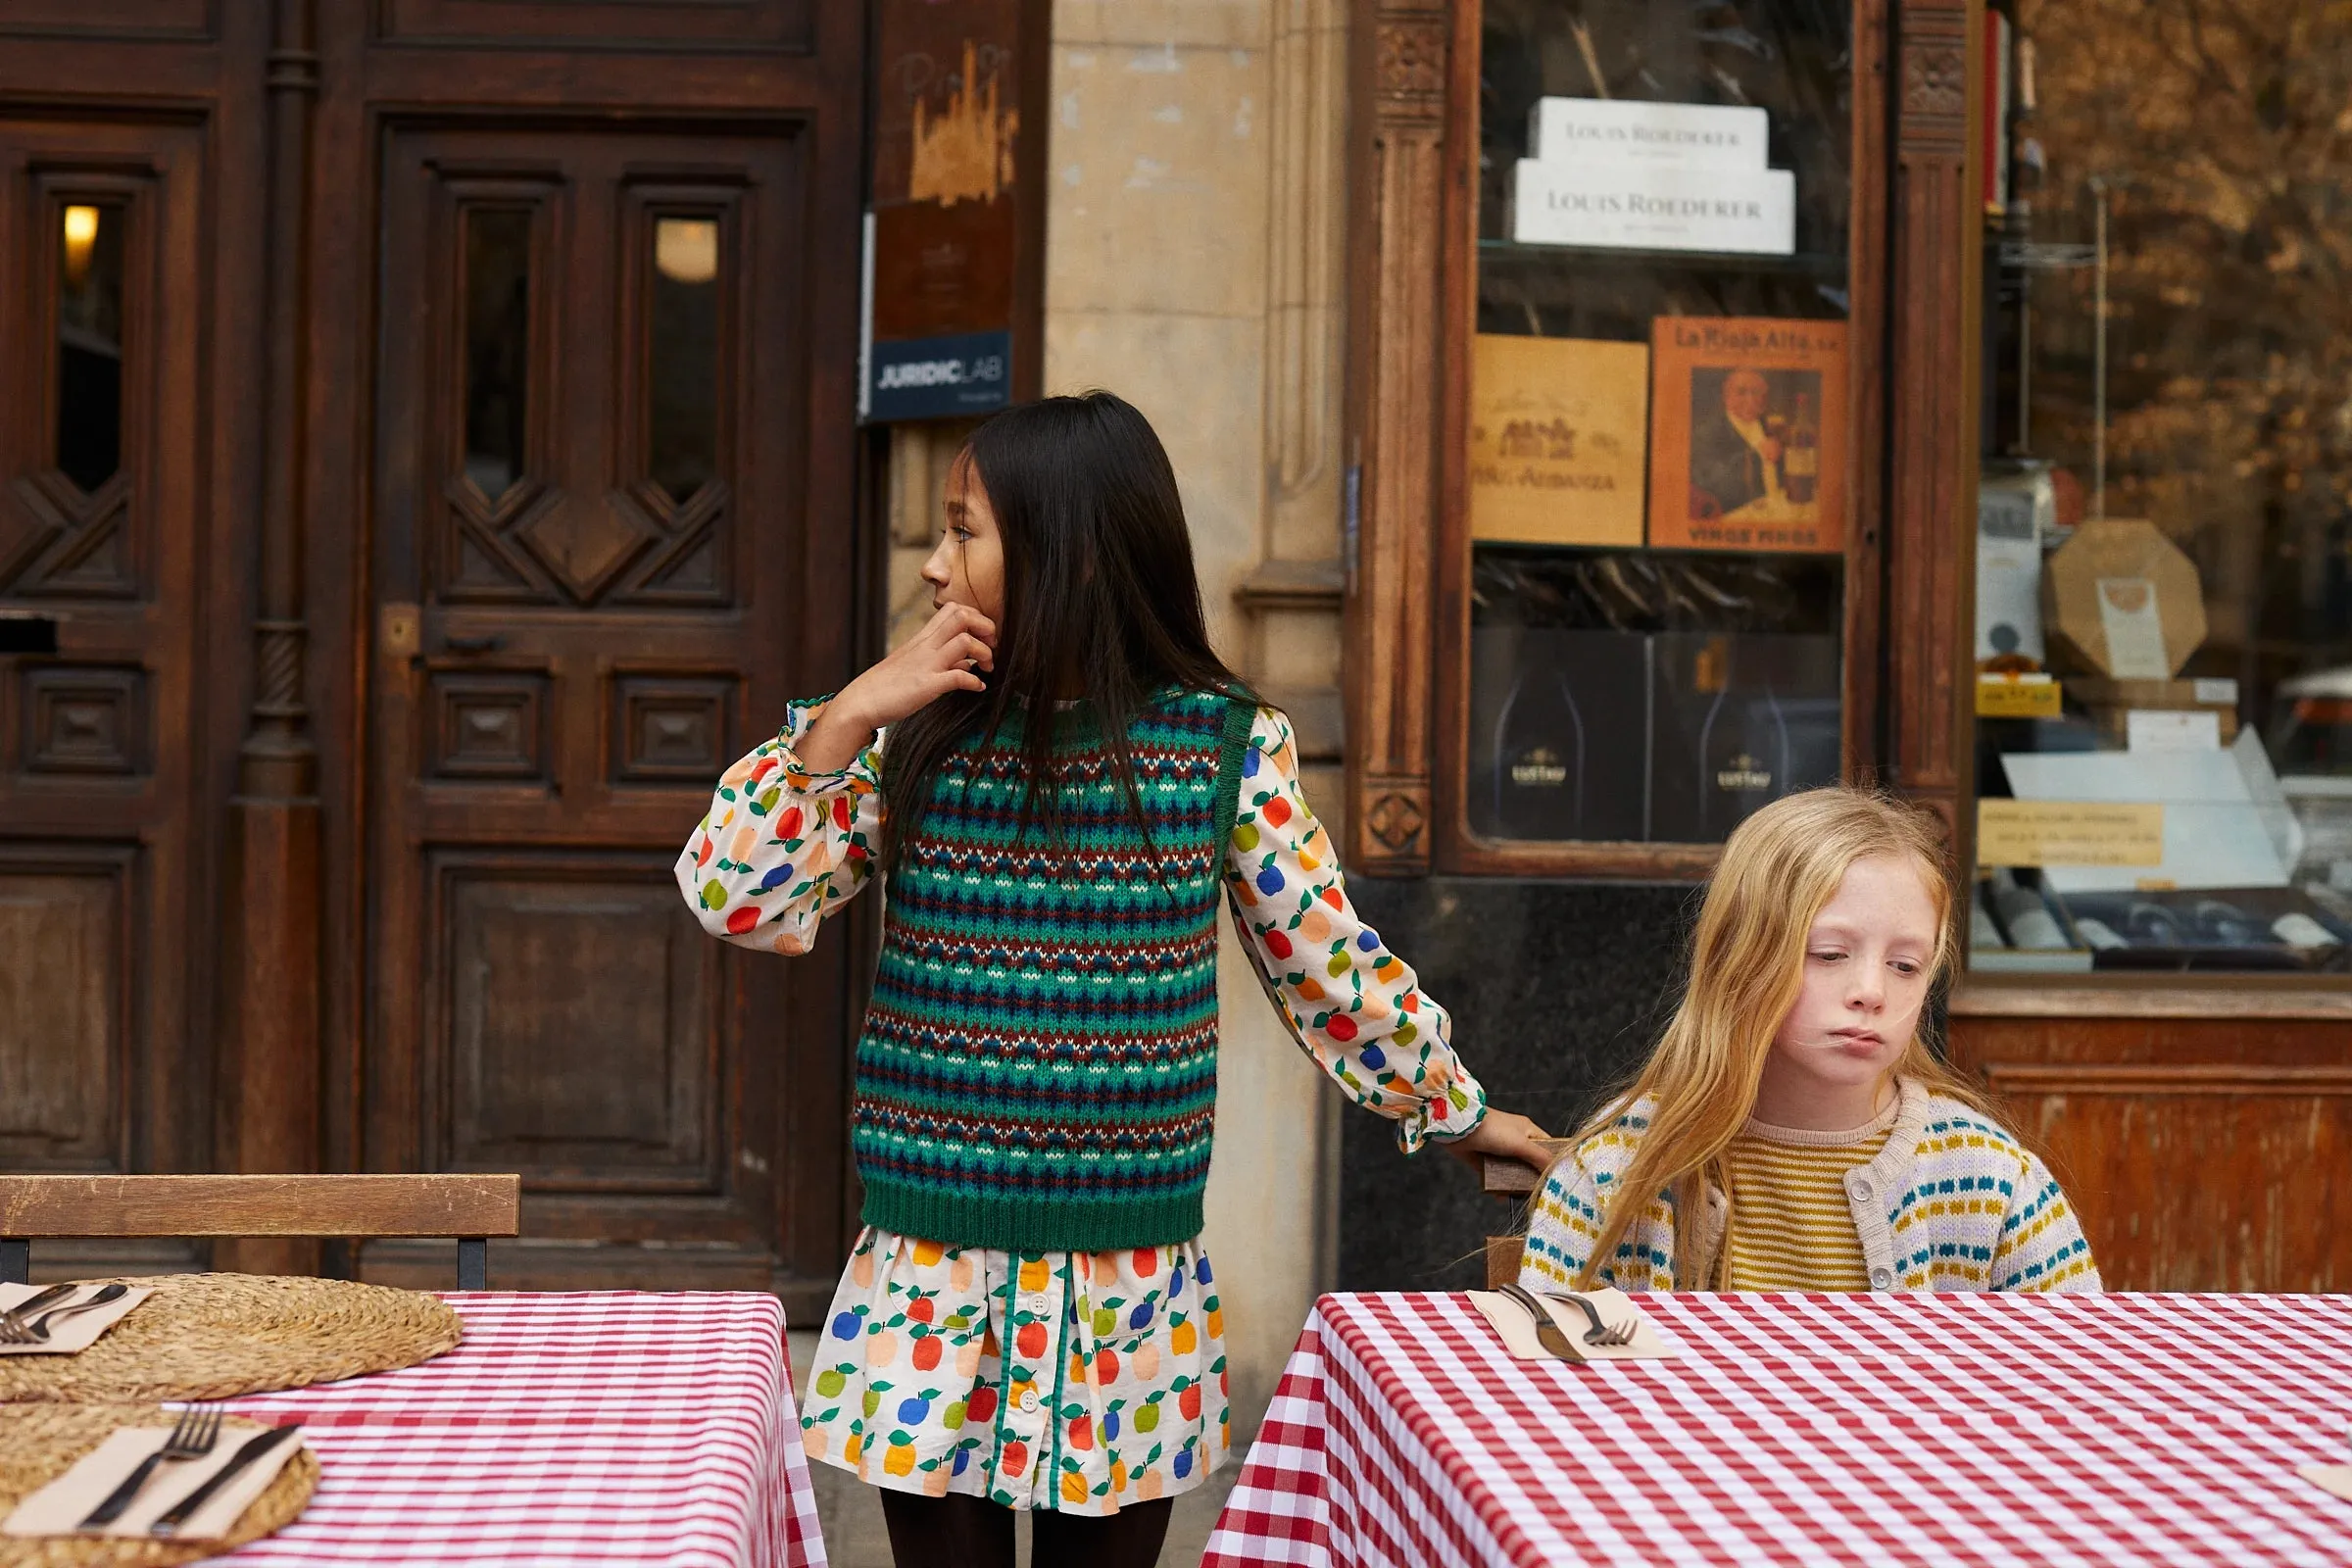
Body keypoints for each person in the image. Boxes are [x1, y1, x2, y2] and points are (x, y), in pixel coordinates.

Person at [677, 391, 1552, 1568]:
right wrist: (846, 717)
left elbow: (1328, 964)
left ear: (1069, 552)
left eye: (965, 531)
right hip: (931, 1276)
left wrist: (1457, 1113)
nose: (935, 567)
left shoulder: (1223, 746)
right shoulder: (911, 736)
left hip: (1124, 1294)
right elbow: (736, 898)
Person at [1518, 787, 2099, 1295]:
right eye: (1829, 955)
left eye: (1905, 965)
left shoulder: (1988, 1180)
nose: (1871, 992)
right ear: (1740, 958)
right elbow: (1550, 1381)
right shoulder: (1618, 1169)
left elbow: (2076, 1373)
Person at [1686, 365, 1780, 519]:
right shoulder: (1707, 432)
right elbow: (1709, 480)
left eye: (1756, 392)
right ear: (1726, 396)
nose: (1750, 399)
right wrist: (1757, 454)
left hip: (1774, 510)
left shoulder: (1768, 425)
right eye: (1741, 392)